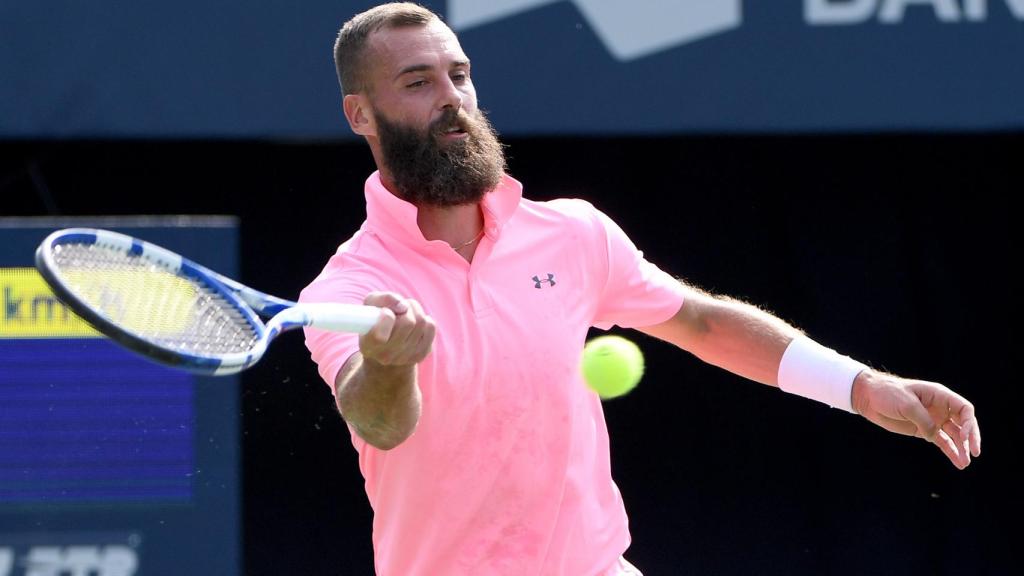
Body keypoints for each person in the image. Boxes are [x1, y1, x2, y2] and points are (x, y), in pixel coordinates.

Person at [300, 4, 982, 575]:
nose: (453, 97)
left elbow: (700, 322)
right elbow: (379, 424)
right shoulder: (350, 287)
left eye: (460, 74)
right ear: (361, 114)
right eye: (418, 82)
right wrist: (390, 364)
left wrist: (859, 386)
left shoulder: (572, 234)